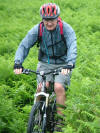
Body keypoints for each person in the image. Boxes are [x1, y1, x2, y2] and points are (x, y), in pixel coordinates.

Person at [14, 3, 77, 132]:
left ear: (57, 18)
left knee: (58, 87)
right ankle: (37, 116)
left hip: (63, 64)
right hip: (44, 63)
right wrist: (18, 63)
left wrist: (69, 63)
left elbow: (72, 46)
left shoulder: (66, 29)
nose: (49, 23)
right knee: (42, 87)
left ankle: (60, 122)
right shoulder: (38, 29)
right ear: (42, 19)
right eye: (46, 20)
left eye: (52, 19)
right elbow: (23, 46)